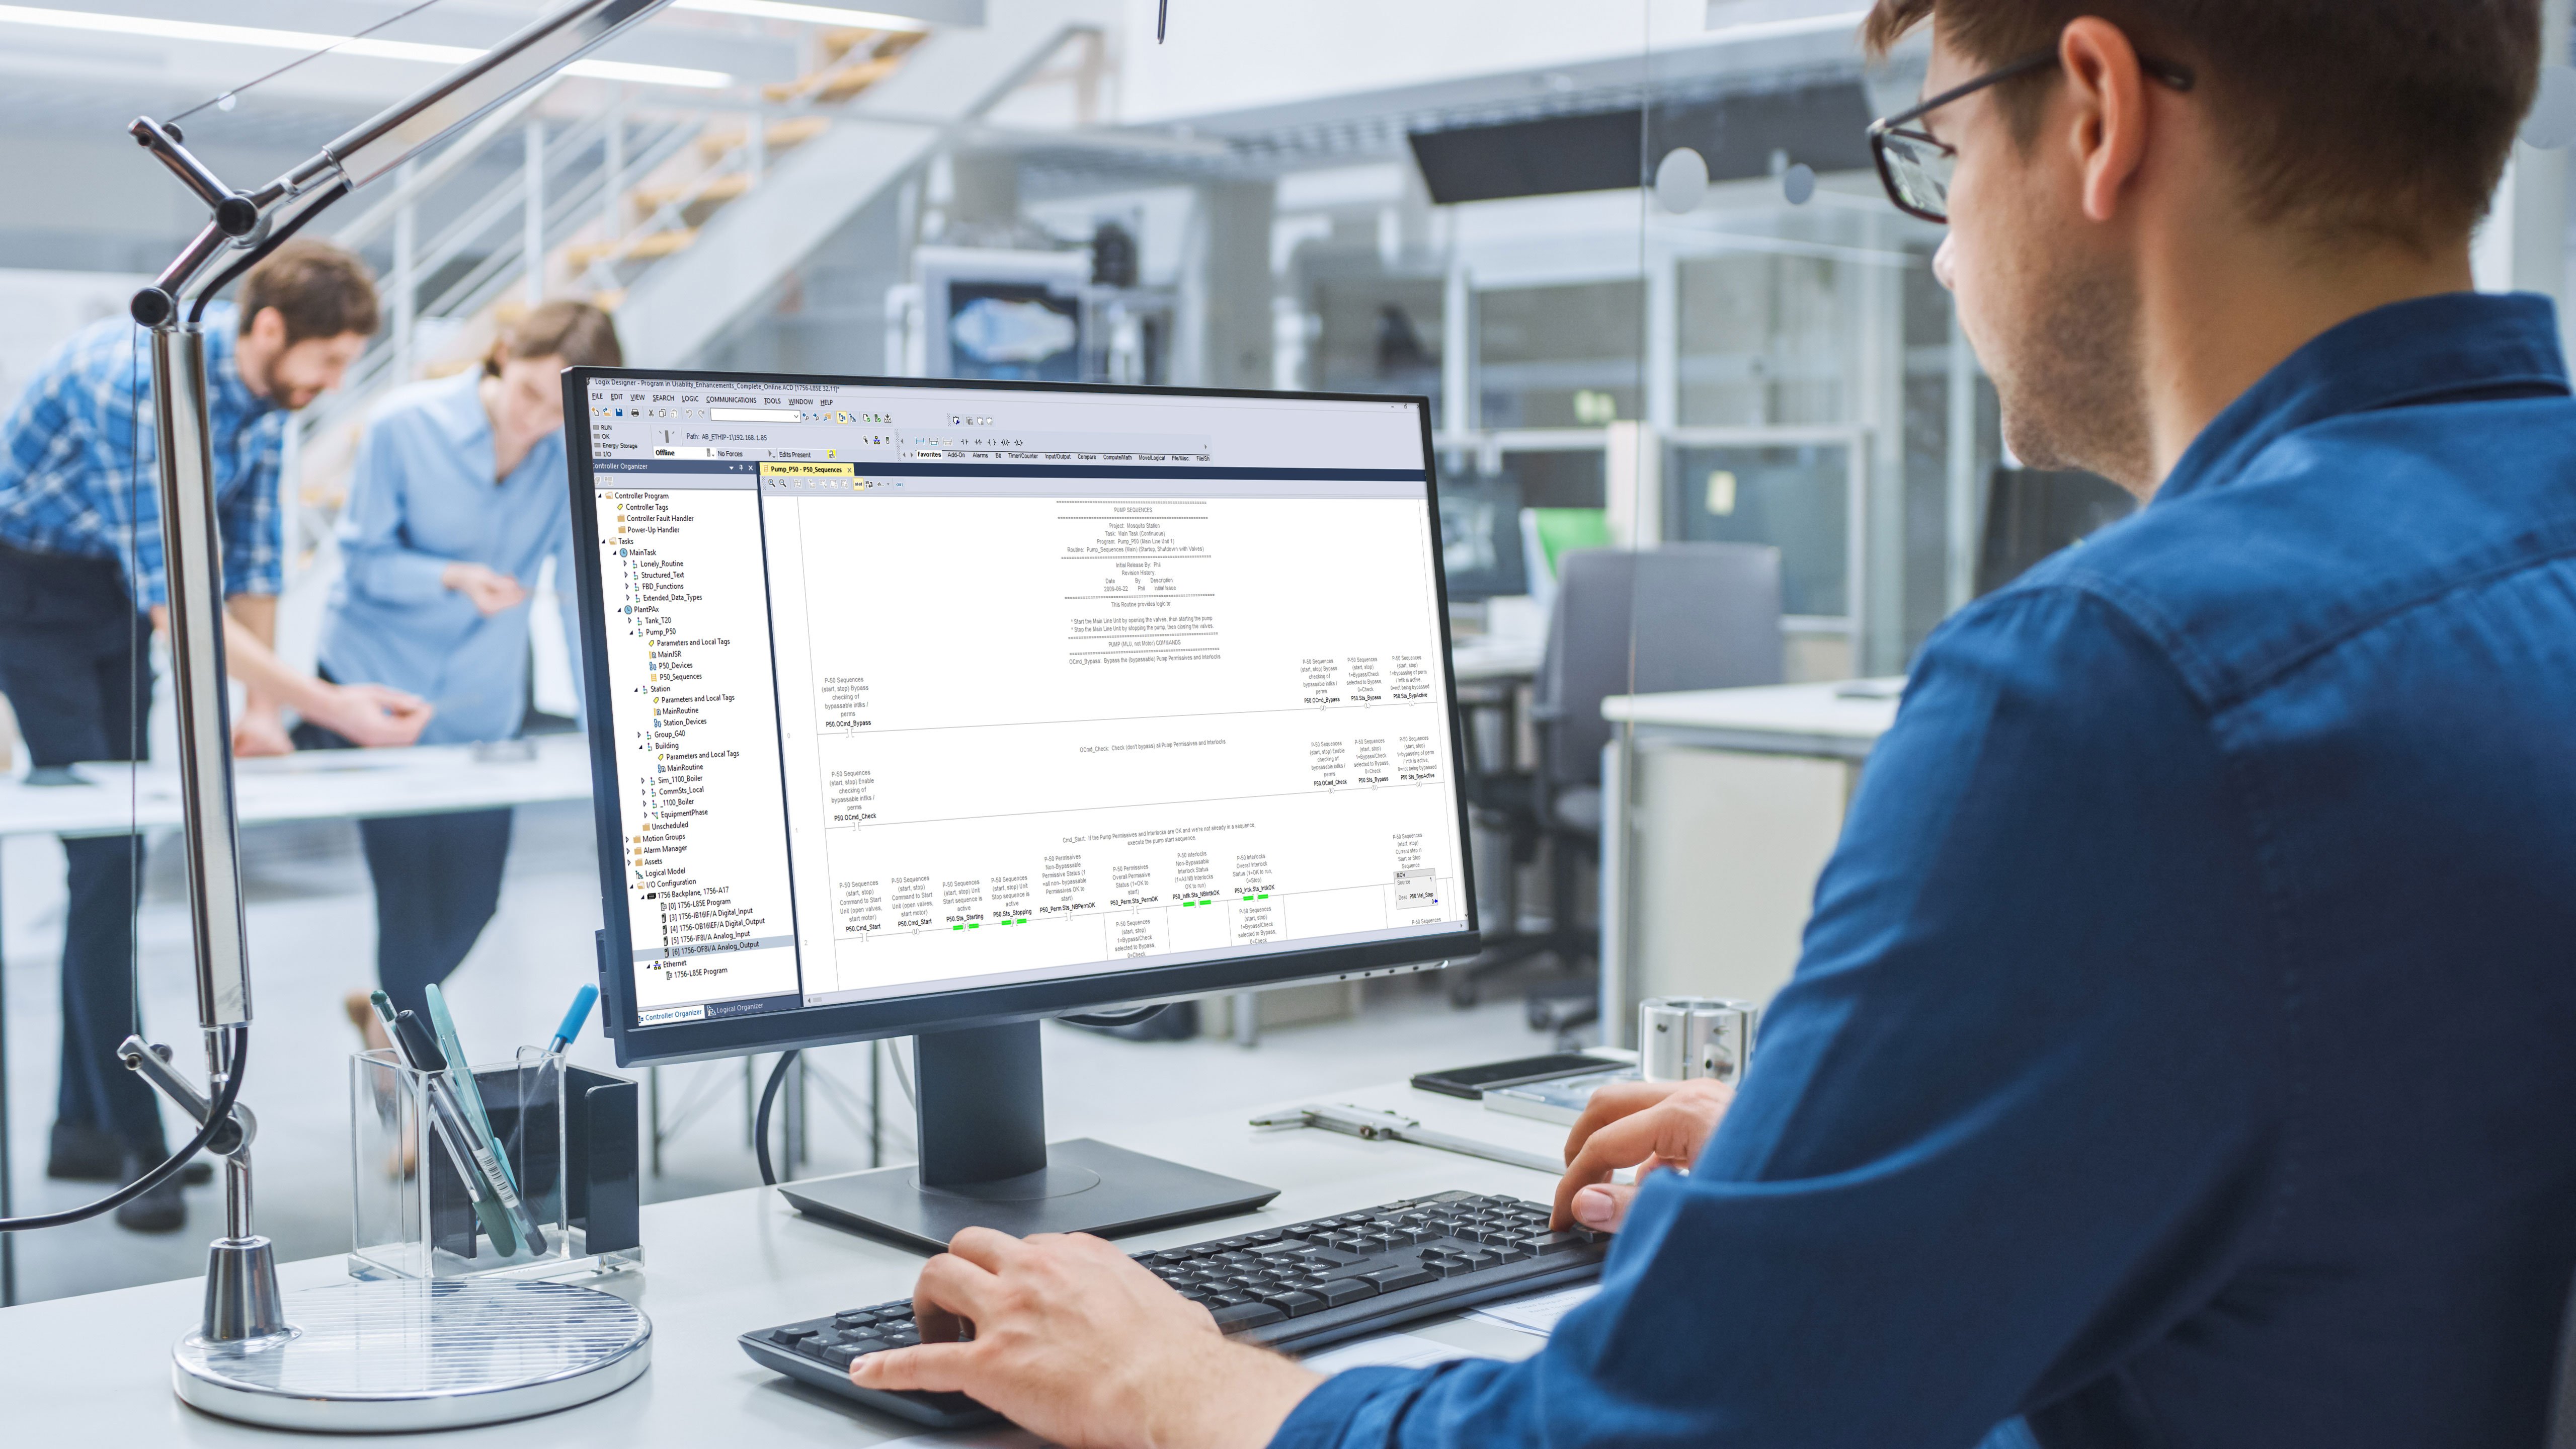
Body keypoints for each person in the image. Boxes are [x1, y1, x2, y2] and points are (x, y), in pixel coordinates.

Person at [836, 2, 2576, 1445]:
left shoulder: (2116, 683)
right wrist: (1874, 1165)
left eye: (1942, 156)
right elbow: (2375, 1135)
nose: (1946, 249)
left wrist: (1196, 1386)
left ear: (2100, 115)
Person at [0, 240, 431, 1234]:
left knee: (111, 858)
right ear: (268, 327)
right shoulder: (138, 390)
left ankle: (84, 1130)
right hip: (26, 591)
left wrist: (265, 712)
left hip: (107, 592)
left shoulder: (263, 397)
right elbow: (179, 607)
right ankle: (135, 1149)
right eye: (327, 361)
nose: (331, 384)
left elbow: (254, 557)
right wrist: (336, 708)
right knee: (105, 861)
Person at [297, 301, 621, 1038]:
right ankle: (422, 1105)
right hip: (380, 691)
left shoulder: (566, 450)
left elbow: (578, 593)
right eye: (532, 393)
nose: (538, 419)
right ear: (504, 355)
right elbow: (364, 565)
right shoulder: (403, 426)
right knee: (410, 903)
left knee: (476, 902)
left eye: (559, 406)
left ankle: (388, 1014)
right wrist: (453, 577)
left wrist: (604, 724)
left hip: (483, 704)